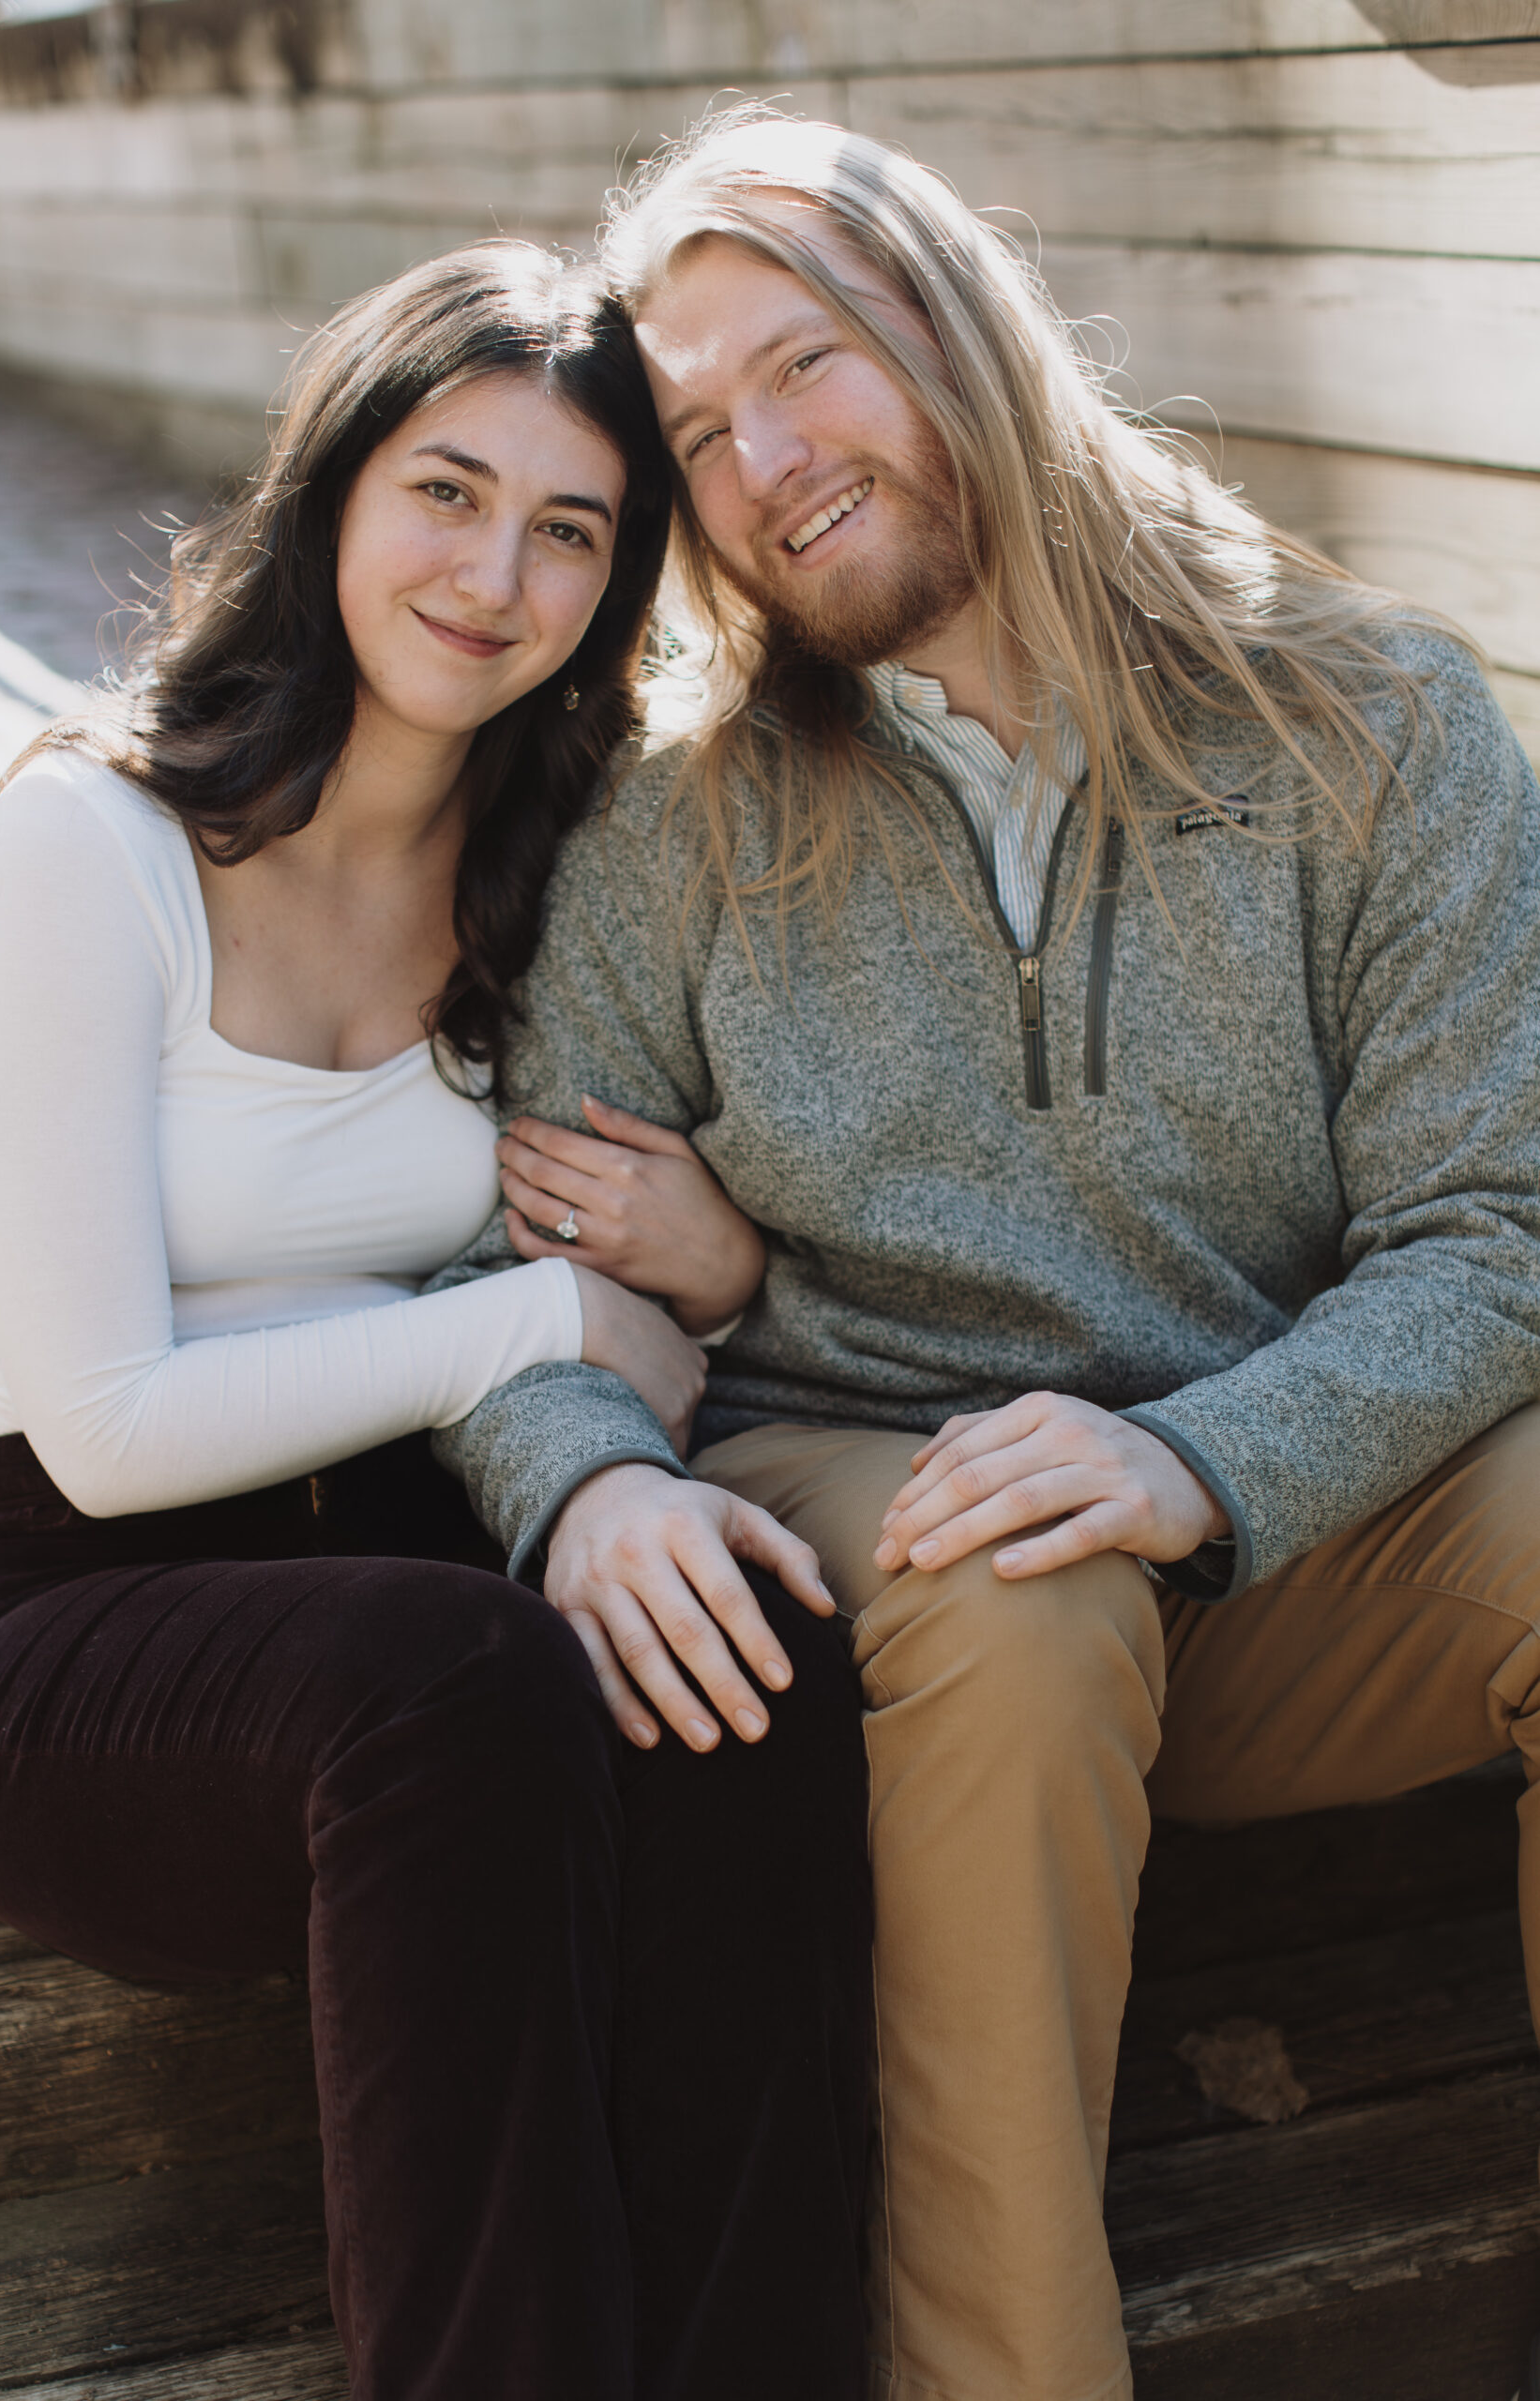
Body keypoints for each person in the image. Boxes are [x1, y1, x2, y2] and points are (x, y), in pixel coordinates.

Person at [428, 117, 1540, 2401]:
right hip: (874, 1498)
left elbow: (1498, 1228)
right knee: (1018, 1573)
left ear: (960, 323)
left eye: (804, 367)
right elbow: (508, 1255)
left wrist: (1205, 1459)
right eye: (700, 434)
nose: (763, 463)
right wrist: (582, 1479)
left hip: (1281, 1527)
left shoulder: (1376, 723)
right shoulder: (680, 824)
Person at [0, 243, 873, 2401]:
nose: (492, 569)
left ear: (616, 591)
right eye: (447, 487)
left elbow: (683, 1276)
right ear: (335, 486)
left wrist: (706, 1259)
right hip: (79, 1619)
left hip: (423, 1587)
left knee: (748, 1661)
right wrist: (542, 1329)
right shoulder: (98, 831)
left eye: (571, 528)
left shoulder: (562, 868)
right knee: (463, 1674)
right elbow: (112, 1422)